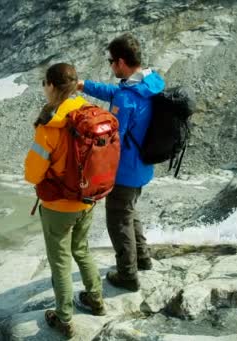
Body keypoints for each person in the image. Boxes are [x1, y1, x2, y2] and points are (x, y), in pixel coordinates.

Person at [77, 33, 165, 292]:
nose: (110, 65)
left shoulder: (127, 99)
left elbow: (113, 137)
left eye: (111, 61)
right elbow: (116, 92)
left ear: (122, 62)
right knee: (130, 211)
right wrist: (84, 85)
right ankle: (143, 259)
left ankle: (127, 275)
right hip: (143, 165)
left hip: (125, 171)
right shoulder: (150, 83)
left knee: (118, 219)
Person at [24, 62, 105, 338]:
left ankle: (64, 318)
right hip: (87, 198)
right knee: (81, 250)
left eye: (44, 83)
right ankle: (96, 299)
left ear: (51, 86)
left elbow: (32, 173)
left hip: (59, 205)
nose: (43, 89)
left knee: (60, 261)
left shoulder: (50, 127)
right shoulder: (86, 113)